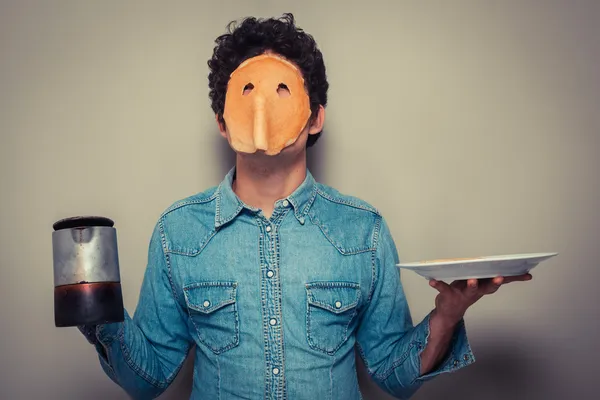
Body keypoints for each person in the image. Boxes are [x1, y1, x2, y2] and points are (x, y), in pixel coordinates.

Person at [78, 13, 532, 400]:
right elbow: (149, 378)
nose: (266, 110)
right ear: (223, 122)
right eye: (249, 93)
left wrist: (448, 314)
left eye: (282, 91)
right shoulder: (178, 232)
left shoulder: (363, 230)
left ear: (316, 117)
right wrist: (95, 309)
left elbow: (395, 377)